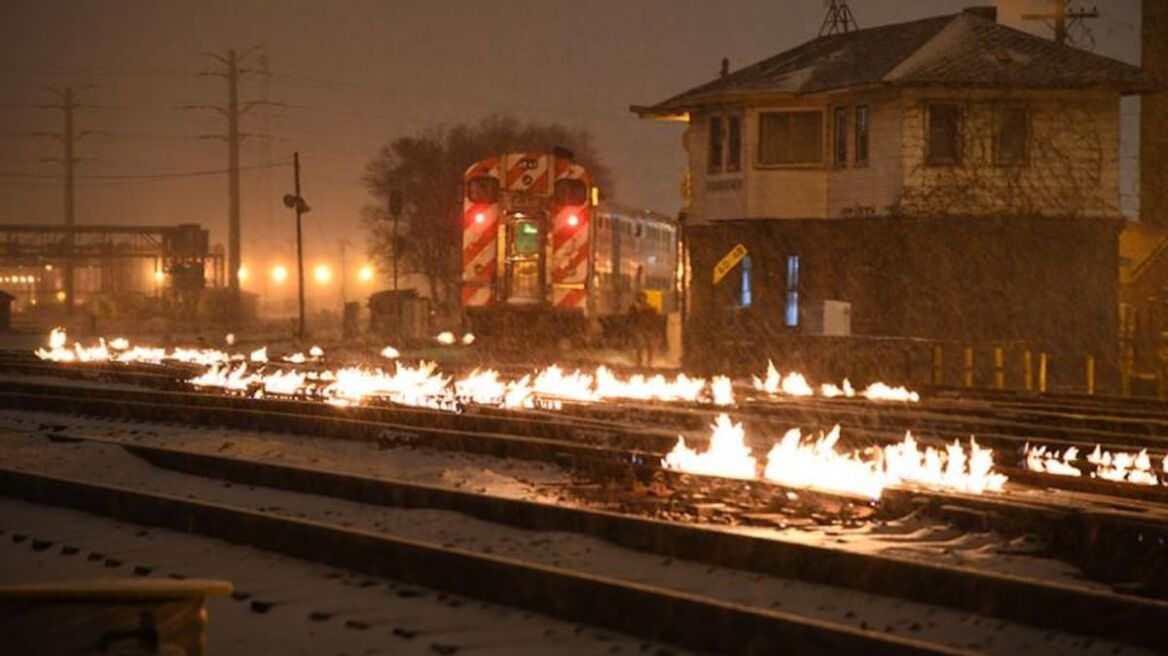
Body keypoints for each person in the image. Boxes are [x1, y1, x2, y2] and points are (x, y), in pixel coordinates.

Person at [628, 291, 659, 368]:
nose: (642, 299)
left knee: (649, 345)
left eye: (643, 297)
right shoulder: (634, 307)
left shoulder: (649, 307)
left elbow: (653, 318)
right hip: (639, 328)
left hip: (647, 328)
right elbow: (631, 318)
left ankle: (649, 361)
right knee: (639, 345)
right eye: (640, 297)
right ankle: (640, 362)